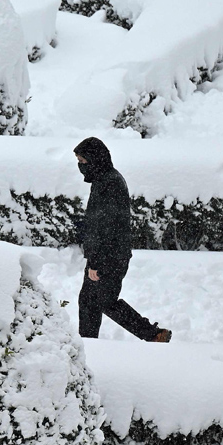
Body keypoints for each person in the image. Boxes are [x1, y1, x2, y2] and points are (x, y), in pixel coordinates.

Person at [74, 137, 172, 343]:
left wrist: (96, 262)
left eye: (83, 161)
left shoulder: (109, 182)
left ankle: (151, 335)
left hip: (109, 256)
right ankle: (89, 343)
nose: (81, 166)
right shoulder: (105, 179)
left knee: (100, 302)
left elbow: (108, 226)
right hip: (110, 254)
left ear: (95, 159)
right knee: (94, 302)